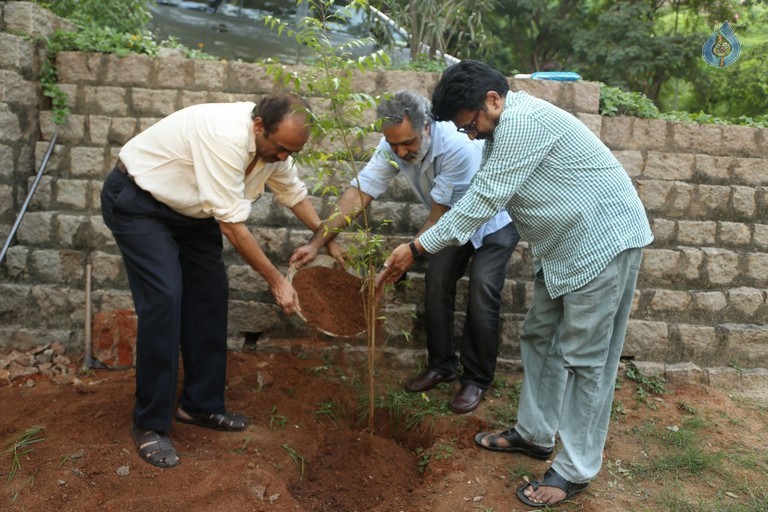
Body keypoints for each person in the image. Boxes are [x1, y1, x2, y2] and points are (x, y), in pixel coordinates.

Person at [378, 61, 654, 507]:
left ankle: (576, 469)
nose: (469, 135)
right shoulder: (502, 126)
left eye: (470, 125)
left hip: (604, 242)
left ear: (492, 100)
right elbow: (482, 192)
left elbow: (485, 199)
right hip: (565, 249)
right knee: (539, 336)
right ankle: (535, 434)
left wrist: (416, 247)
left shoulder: (522, 123)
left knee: (587, 361)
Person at [101, 93, 339, 468]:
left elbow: (293, 194)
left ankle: (200, 405)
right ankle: (149, 423)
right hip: (140, 203)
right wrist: (277, 280)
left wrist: (330, 240)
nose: (282, 158)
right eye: (279, 149)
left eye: (291, 153)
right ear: (258, 125)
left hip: (192, 213)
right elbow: (231, 225)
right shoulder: (224, 136)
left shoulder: (275, 150)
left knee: (210, 297)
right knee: (165, 298)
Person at [290, 91, 519, 414]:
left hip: (492, 221)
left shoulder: (457, 145)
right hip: (448, 222)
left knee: (483, 286)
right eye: (393, 143)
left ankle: (476, 379)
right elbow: (360, 192)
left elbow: (440, 216)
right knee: (436, 280)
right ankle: (441, 366)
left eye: (407, 143)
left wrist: (407, 253)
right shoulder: (392, 145)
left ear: (427, 127)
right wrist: (316, 242)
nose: (400, 151)